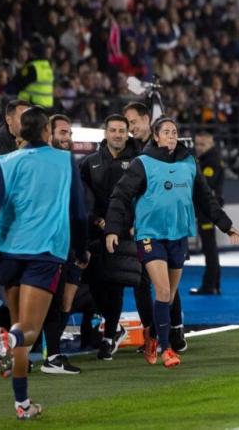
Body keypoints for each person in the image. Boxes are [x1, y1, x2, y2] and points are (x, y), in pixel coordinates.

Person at [104, 117, 239, 368]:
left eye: (174, 131)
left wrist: (225, 224)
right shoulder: (142, 163)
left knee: (167, 298)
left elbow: (205, 197)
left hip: (178, 235)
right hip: (150, 235)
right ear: (155, 136)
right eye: (166, 132)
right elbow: (120, 195)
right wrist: (112, 229)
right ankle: (166, 349)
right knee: (164, 290)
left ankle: (152, 337)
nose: (171, 135)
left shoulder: (188, 162)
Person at [0, 106, 88, 419]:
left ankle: (22, 403)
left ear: (21, 132)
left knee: (19, 323)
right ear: (46, 131)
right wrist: (81, 250)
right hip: (44, 253)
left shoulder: (6, 161)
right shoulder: (64, 161)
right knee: (27, 331)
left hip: (9, 254)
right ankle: (5, 337)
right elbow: (79, 213)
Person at [122, 102, 186, 354]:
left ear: (147, 120)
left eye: (133, 122)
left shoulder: (175, 153)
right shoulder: (131, 149)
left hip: (172, 228)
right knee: (144, 282)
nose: (130, 128)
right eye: (127, 124)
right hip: (145, 229)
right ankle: (156, 333)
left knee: (168, 283)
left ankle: (173, 329)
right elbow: (126, 191)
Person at [79, 114, 142, 361]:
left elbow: (141, 197)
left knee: (116, 285)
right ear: (105, 133)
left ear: (127, 133)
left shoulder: (138, 162)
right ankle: (111, 328)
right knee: (94, 284)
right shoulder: (89, 163)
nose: (117, 134)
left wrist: (133, 223)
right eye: (113, 130)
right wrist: (96, 220)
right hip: (95, 234)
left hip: (125, 233)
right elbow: (82, 200)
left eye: (121, 130)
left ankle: (107, 338)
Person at [0, 99, 30, 370]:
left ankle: (11, 347)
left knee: (20, 293)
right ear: (8, 119)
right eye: (22, 117)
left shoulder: (32, 151)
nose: (25, 123)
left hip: (23, 236)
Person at [39, 114, 83, 374]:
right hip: (49, 245)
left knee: (62, 302)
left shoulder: (69, 163)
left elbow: (79, 210)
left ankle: (51, 355)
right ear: (49, 133)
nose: (67, 138)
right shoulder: (57, 164)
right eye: (63, 133)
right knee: (47, 303)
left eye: (69, 134)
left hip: (64, 246)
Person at [190, 131, 226, 296]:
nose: (199, 147)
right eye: (197, 144)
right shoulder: (206, 160)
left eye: (203, 144)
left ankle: (209, 285)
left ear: (211, 144)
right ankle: (214, 284)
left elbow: (206, 186)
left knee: (209, 248)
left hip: (207, 211)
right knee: (210, 248)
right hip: (209, 209)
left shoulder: (210, 162)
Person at [8, 36, 54, 109]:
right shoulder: (47, 66)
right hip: (47, 105)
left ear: (34, 54)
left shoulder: (33, 67)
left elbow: (19, 82)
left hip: (34, 105)